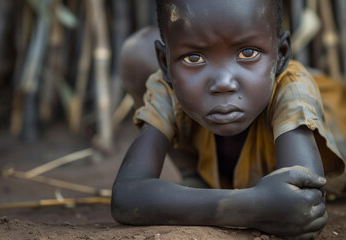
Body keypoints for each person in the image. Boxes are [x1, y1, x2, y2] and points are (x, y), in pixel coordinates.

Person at [111, 0, 346, 239]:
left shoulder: (293, 90)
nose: (223, 82)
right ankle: (196, 178)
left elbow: (304, 205)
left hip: (327, 103)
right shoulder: (168, 86)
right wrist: (254, 205)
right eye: (194, 58)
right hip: (253, 85)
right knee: (137, 52)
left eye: (247, 53)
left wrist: (179, 204)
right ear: (164, 63)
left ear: (282, 53)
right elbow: (127, 196)